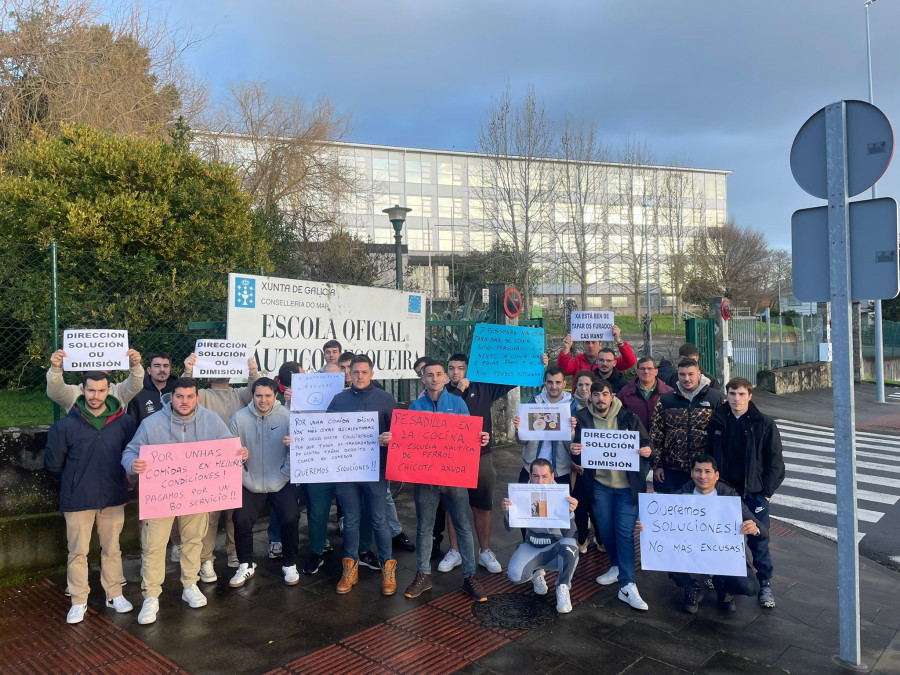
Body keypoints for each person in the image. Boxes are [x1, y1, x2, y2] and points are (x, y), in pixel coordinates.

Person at [122, 377, 248, 625]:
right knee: (154, 545)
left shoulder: (211, 420)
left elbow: (228, 448)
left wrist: (241, 453)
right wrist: (132, 464)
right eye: (179, 396)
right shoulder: (151, 423)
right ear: (172, 396)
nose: (185, 401)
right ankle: (151, 595)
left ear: (197, 397)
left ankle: (190, 584)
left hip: (196, 496)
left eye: (190, 396)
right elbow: (130, 451)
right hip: (161, 496)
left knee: (193, 540)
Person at [44, 371, 137, 624]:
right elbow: (53, 466)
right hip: (77, 500)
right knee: (77, 552)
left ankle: (114, 593)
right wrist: (73, 486)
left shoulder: (125, 423)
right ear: (82, 390)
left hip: (113, 497)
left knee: (113, 549)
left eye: (101, 390)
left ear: (109, 391)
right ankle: (78, 599)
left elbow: (132, 456)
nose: (96, 396)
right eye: (91, 390)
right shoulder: (64, 426)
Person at [443, 352, 543, 574]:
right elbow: (443, 415)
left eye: (460, 368)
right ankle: (455, 551)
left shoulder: (483, 388)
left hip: (481, 456)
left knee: (482, 505)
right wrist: (459, 389)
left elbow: (514, 377)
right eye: (451, 368)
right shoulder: (444, 392)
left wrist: (537, 363)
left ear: (467, 369)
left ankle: (485, 551)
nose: (456, 372)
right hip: (452, 458)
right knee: (453, 506)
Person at [402, 360, 490, 603]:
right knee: (424, 527)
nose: (434, 378)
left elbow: (469, 436)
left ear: (444, 377)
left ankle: (470, 576)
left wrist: (480, 438)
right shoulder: (415, 406)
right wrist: (394, 437)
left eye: (439, 374)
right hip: (425, 478)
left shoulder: (458, 402)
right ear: (422, 379)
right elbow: (408, 441)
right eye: (429, 375)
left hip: (454, 476)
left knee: (462, 525)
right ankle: (423, 574)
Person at [571, 379, 654, 611]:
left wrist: (648, 450)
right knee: (606, 532)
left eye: (604, 394)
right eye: (596, 395)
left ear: (611, 396)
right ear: (591, 398)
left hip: (626, 488)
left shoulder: (629, 418)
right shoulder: (583, 420)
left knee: (625, 534)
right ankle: (616, 566)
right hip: (599, 486)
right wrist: (574, 451)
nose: (600, 399)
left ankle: (627, 584)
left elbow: (648, 444)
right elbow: (579, 457)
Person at [654, 454, 769, 613]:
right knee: (666, 552)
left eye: (707, 471)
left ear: (717, 476)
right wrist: (650, 527)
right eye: (698, 471)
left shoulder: (729, 497)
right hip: (691, 552)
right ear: (691, 473)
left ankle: (722, 585)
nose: (702, 476)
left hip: (722, 554)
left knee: (750, 587)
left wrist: (754, 529)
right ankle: (691, 586)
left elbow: (763, 531)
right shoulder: (680, 497)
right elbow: (662, 527)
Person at [707, 378, 785, 609]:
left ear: (749, 396)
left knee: (758, 539)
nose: (736, 399)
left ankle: (764, 584)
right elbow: (709, 453)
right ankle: (722, 579)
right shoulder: (718, 419)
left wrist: (766, 493)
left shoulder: (764, 423)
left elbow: (776, 462)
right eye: (732, 393)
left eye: (741, 394)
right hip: (724, 491)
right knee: (722, 537)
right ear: (727, 395)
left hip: (754, 493)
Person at [326, 355, 397, 596]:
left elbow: (399, 434)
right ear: (350, 374)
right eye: (355, 372)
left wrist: (391, 439)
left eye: (364, 372)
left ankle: (388, 569)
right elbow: (325, 432)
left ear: (372, 374)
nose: (359, 376)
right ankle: (350, 568)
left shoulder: (386, 399)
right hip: (346, 472)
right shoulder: (338, 400)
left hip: (375, 471)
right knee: (351, 521)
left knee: (379, 520)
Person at [183, 353, 261, 572]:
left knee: (234, 512)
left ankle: (234, 552)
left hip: (237, 461)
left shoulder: (239, 393)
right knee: (209, 515)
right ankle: (205, 558)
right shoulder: (203, 395)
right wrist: (188, 371)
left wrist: (253, 372)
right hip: (209, 464)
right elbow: (182, 395)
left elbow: (255, 391)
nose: (220, 369)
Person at [228, 378, 300, 587]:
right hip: (250, 479)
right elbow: (231, 453)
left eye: (268, 395)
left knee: (290, 517)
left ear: (275, 396)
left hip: (281, 478)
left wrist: (283, 474)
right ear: (252, 396)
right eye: (258, 395)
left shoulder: (287, 417)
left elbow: (295, 451)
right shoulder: (239, 419)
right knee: (240, 519)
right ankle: (246, 564)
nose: (263, 400)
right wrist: (244, 476)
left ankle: (290, 564)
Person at [502, 458, 579, 614]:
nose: (540, 481)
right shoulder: (521, 494)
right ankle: (536, 572)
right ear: (530, 476)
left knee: (570, 546)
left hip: (555, 547)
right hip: (532, 545)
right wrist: (508, 513)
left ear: (552, 477)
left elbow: (570, 534)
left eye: (544, 476)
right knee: (515, 576)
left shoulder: (563, 496)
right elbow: (509, 529)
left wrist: (570, 513)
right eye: (536, 476)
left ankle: (563, 587)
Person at [650, 358, 724, 494]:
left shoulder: (716, 399)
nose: (687, 378)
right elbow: (656, 435)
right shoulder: (666, 400)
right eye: (682, 374)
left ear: (699, 374)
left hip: (704, 472)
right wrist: (657, 465)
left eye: (691, 374)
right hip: (672, 470)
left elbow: (724, 437)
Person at [515, 367, 573, 485]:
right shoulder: (532, 404)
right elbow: (521, 441)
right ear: (544, 383)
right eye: (550, 382)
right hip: (531, 468)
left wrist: (571, 430)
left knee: (558, 504)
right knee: (526, 503)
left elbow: (573, 447)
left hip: (560, 471)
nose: (554, 386)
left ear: (564, 383)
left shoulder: (573, 407)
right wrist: (519, 429)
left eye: (558, 382)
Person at [46, 348, 144, 411]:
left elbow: (135, 385)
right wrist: (55, 368)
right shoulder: (74, 393)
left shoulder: (117, 391)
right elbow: (55, 392)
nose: (96, 395)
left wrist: (135, 366)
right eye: (91, 390)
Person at [570, 370, 602, 554]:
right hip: (576, 468)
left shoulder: (600, 407)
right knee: (579, 504)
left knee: (597, 505)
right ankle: (582, 538)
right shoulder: (568, 406)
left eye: (588, 385)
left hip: (598, 468)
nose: (583, 388)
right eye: (580, 384)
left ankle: (601, 538)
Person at [557, 325, 636, 388]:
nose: (590, 346)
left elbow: (630, 362)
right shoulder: (577, 360)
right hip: (580, 402)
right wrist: (566, 349)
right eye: (587, 342)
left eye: (594, 342)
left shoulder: (608, 360)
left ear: (600, 345)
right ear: (583, 345)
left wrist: (619, 340)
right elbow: (562, 371)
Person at [617, 357, 673, 432]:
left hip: (661, 440)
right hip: (635, 440)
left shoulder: (668, 392)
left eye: (649, 369)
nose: (646, 372)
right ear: (637, 372)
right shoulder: (625, 392)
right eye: (642, 369)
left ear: (656, 371)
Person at [128, 352, 178, 424]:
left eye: (166, 366)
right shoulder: (137, 392)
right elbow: (131, 424)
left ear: (169, 370)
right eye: (157, 366)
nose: (162, 369)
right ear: (149, 370)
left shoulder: (177, 391)